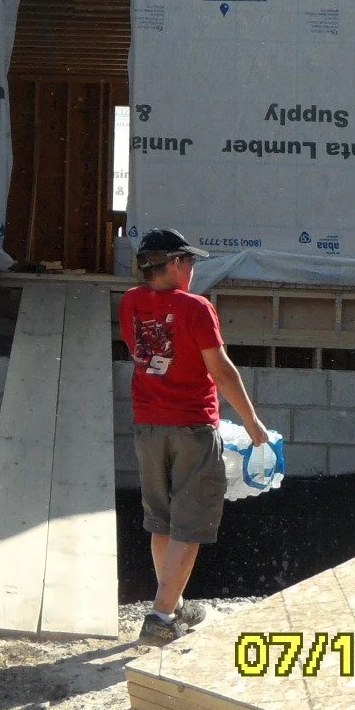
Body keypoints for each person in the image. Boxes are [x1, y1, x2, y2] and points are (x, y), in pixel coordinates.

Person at [120, 228, 270, 646]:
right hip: (192, 428)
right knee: (190, 524)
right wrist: (253, 423)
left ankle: (175, 604)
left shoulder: (131, 301)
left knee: (162, 520)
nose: (192, 269)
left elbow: (148, 357)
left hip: (148, 426)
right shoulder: (196, 308)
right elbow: (221, 371)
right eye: (188, 261)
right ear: (172, 263)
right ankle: (161, 616)